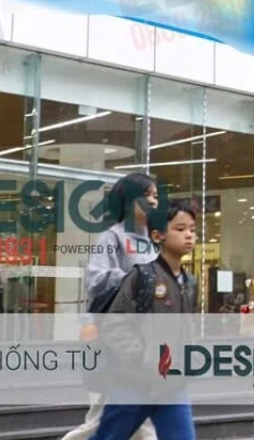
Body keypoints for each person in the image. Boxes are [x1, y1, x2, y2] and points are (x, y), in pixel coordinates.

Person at [64, 173, 160, 440]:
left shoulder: (150, 242)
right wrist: (139, 277)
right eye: (149, 195)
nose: (155, 200)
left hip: (140, 338)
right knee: (102, 414)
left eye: (156, 195)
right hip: (112, 336)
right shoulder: (112, 237)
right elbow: (96, 281)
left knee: (136, 417)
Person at [92, 204, 198, 440]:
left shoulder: (190, 282)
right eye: (180, 228)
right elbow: (114, 324)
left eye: (192, 229)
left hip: (173, 384)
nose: (189, 234)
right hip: (134, 383)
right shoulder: (142, 276)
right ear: (157, 235)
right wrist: (144, 358)